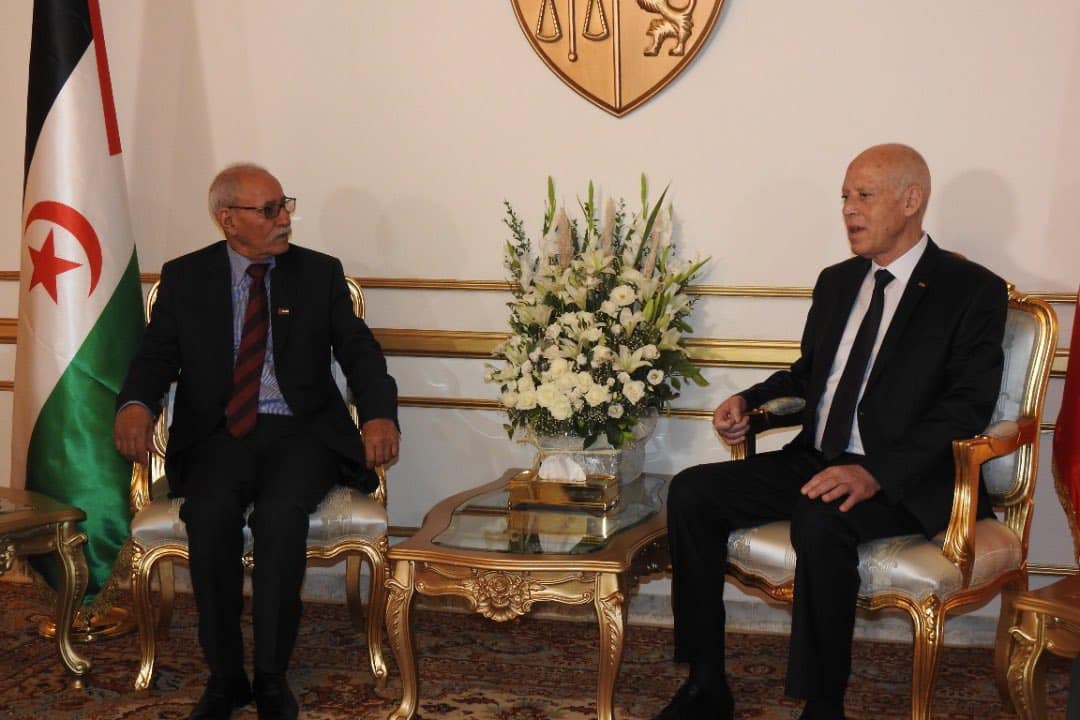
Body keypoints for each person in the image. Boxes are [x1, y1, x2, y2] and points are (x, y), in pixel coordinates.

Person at [656, 144, 1008, 720]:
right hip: (816, 457)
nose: (849, 209)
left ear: (911, 200)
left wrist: (875, 473)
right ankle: (705, 683)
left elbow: (966, 408)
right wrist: (752, 401)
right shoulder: (838, 282)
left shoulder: (970, 289)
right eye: (845, 196)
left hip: (902, 478)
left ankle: (823, 706)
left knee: (822, 518)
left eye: (864, 195)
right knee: (693, 491)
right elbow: (810, 375)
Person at [114, 163, 400, 720]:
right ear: (228, 220)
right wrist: (135, 405)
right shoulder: (186, 277)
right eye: (268, 210)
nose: (284, 218)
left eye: (284, 205)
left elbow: (360, 353)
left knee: (279, 516)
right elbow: (154, 358)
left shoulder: (318, 274)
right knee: (210, 514)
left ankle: (271, 676)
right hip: (218, 435)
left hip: (301, 433)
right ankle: (225, 677)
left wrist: (380, 417)